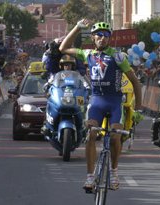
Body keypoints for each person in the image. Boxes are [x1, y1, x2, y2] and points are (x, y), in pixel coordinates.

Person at [59, 19, 142, 190]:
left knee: (115, 136)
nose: (102, 38)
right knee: (91, 135)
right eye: (99, 35)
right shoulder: (87, 54)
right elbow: (63, 48)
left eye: (106, 36)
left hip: (114, 101)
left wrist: (138, 108)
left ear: (109, 38)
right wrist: (77, 27)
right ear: (93, 37)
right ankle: (90, 176)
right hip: (96, 101)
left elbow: (135, 81)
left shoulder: (117, 56)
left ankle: (114, 171)